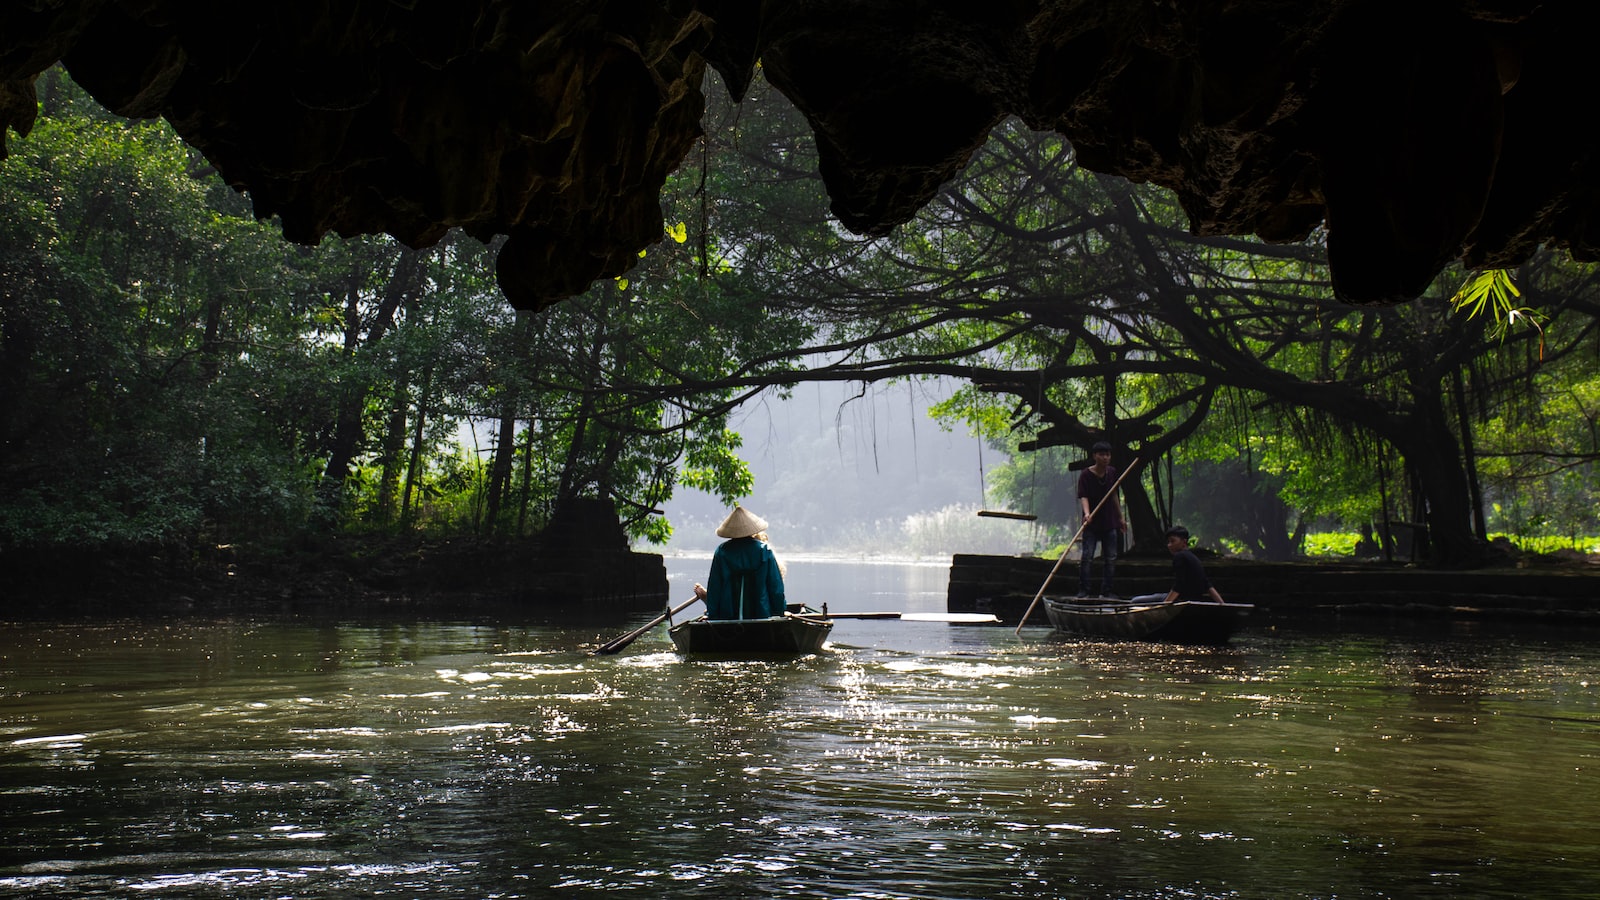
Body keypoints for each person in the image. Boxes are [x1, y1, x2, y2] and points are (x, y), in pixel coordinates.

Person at [692, 506, 787, 619]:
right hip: (761, 613)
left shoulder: (722, 551)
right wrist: (780, 612)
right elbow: (775, 588)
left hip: (727, 615)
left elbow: (715, 588)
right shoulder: (764, 550)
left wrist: (711, 614)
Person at [1076, 441, 1125, 598]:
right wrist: (1087, 513)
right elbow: (1083, 496)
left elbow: (1114, 495)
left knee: (1110, 558)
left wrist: (1121, 518)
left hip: (1109, 522)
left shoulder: (1112, 473)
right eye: (1102, 454)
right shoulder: (1086, 474)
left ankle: (1107, 591)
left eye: (1107, 455)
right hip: (1092, 524)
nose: (1105, 458)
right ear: (1094, 456)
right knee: (1087, 557)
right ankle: (1084, 590)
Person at [1131, 525, 1227, 605]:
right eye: (1168, 542)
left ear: (1184, 542)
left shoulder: (1179, 556)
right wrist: (1222, 604)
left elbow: (1179, 584)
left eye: (1173, 541)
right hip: (1191, 598)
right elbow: (1207, 584)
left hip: (1181, 598)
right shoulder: (1194, 558)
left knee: (1135, 601)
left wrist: (1165, 605)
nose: (1169, 545)